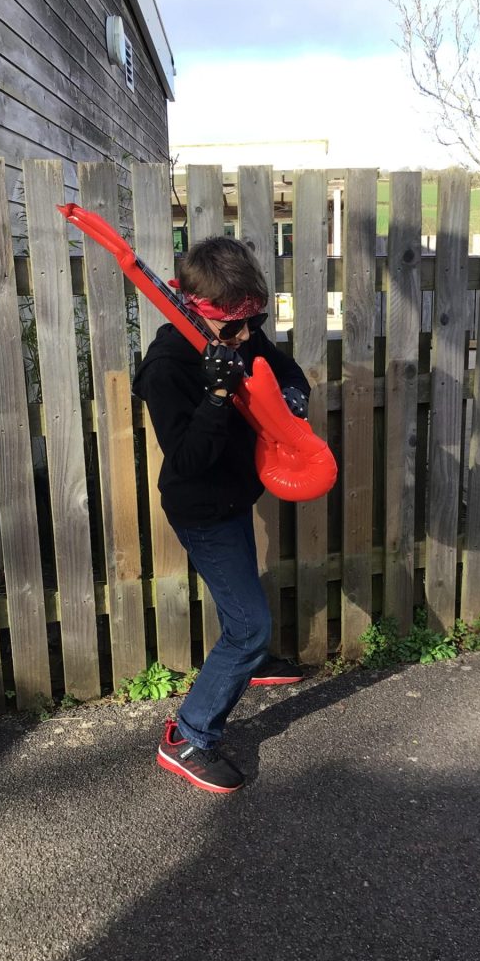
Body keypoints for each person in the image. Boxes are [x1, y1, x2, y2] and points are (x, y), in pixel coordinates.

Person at [132, 236, 312, 794]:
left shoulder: (242, 331)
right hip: (203, 509)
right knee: (250, 626)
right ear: (196, 311)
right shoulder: (166, 367)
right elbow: (188, 461)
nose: (247, 335)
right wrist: (215, 395)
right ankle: (188, 736)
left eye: (254, 321)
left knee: (243, 611)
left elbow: (286, 371)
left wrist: (293, 399)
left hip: (237, 496)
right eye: (234, 327)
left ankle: (246, 663)